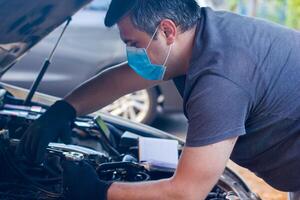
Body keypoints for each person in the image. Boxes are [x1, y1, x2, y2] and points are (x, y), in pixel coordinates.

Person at [16, 0, 300, 199]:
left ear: (167, 30)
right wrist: (64, 109)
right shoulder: (205, 34)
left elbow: (186, 193)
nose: (132, 54)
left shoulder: (221, 78)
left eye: (134, 44)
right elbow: (119, 79)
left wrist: (96, 190)